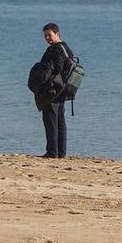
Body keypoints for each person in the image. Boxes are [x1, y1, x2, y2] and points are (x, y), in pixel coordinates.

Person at [37, 22, 74, 159]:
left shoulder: (55, 50)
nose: (47, 38)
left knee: (51, 121)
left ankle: (52, 152)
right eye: (45, 36)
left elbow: (57, 68)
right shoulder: (66, 48)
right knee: (59, 121)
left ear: (57, 33)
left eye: (49, 35)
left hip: (53, 90)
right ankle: (61, 152)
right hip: (63, 89)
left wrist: (43, 77)